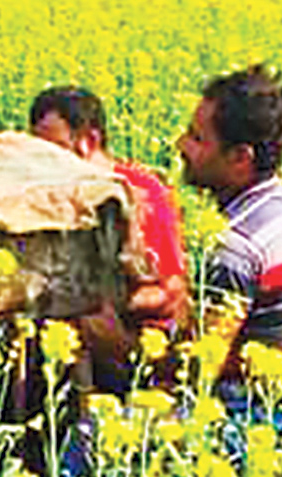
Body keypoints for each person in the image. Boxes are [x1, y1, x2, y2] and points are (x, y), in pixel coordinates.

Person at [177, 65, 282, 395]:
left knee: (87, 434)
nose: (180, 144)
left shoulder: (235, 248)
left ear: (240, 157)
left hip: (268, 409)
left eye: (196, 138)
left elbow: (198, 368)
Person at [28, 86, 188, 392]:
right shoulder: (55, 193)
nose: (43, 163)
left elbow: (172, 291)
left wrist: (97, 301)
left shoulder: (140, 193)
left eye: (53, 149)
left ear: (89, 141)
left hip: (134, 344)